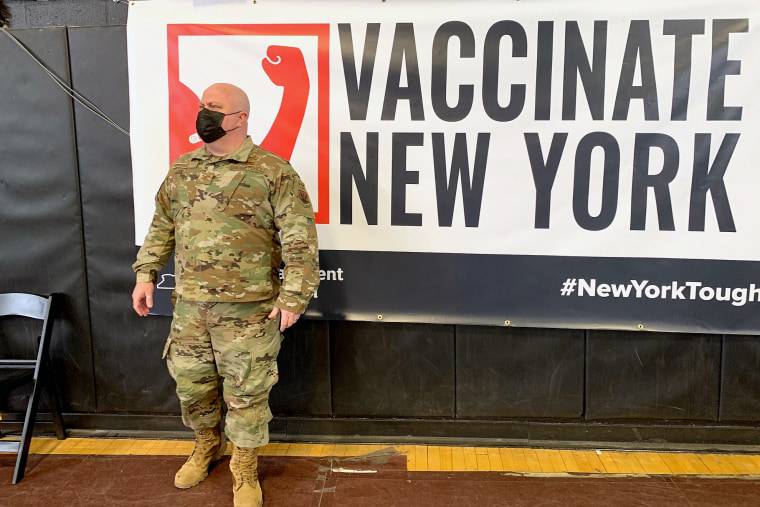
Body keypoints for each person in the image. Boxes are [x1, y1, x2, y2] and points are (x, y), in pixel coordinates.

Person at [131, 83, 319, 507]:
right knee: (193, 387)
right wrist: (146, 274)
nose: (203, 114)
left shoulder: (273, 171)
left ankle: (244, 469)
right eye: (202, 106)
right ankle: (206, 446)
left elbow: (300, 240)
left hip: (249, 312)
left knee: (246, 393)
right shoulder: (182, 169)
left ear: (240, 118)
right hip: (191, 308)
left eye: (213, 108)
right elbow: (162, 226)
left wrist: (293, 296)